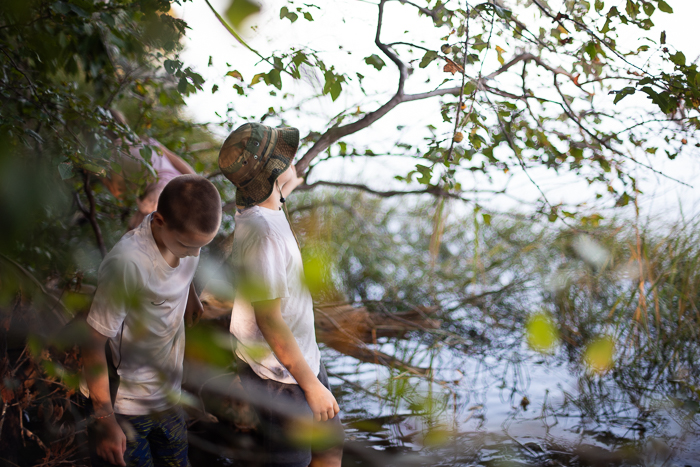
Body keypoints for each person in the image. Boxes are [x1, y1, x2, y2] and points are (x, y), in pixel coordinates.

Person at [218, 123, 344, 467]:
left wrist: (289, 179)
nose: (292, 158)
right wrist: (311, 386)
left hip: (300, 358)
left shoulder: (259, 207)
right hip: (281, 374)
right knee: (290, 459)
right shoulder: (265, 236)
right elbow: (269, 319)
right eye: (285, 156)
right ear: (273, 173)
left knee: (330, 446)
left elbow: (282, 187)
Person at [80, 175, 222, 467]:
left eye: (202, 247)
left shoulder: (186, 238)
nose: (194, 254)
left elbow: (184, 263)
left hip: (168, 395)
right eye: (187, 246)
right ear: (158, 221)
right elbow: (92, 343)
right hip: (124, 403)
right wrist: (105, 420)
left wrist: (190, 294)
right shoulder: (128, 264)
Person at [101, 109, 198, 230]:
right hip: (182, 185)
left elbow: (119, 192)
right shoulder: (147, 141)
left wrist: (99, 174)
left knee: (135, 234)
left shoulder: (115, 152)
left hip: (158, 195)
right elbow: (182, 165)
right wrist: (199, 185)